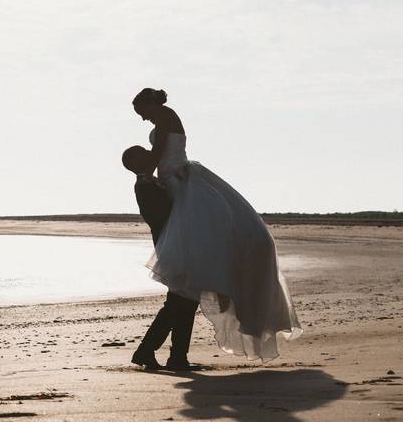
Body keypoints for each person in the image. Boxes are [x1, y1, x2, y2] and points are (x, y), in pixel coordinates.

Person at [131, 87, 302, 362]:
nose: (142, 120)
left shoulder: (164, 120)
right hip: (177, 205)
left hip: (179, 189)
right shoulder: (148, 186)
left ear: (150, 105)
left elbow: (157, 154)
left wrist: (147, 170)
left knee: (183, 300)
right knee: (182, 300)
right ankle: (157, 353)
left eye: (142, 113)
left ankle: (169, 355)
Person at [122, 145, 200, 371]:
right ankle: (149, 351)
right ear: (137, 163)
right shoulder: (145, 186)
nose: (151, 154)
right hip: (173, 249)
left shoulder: (153, 183)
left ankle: (176, 356)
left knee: (186, 301)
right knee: (178, 303)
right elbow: (162, 217)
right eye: (145, 154)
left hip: (176, 247)